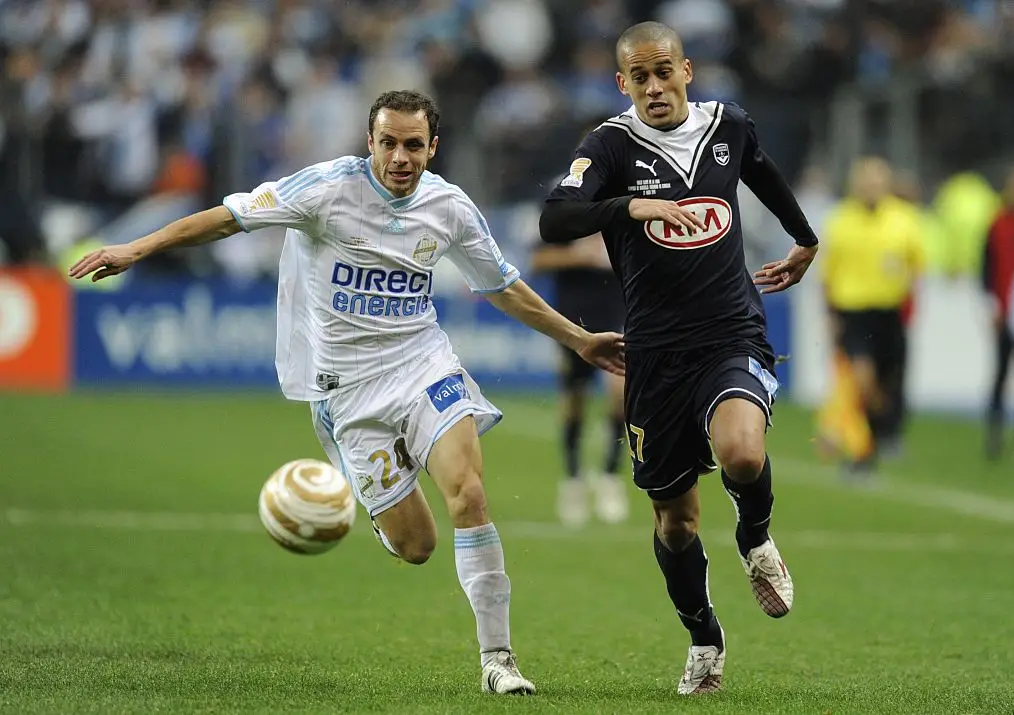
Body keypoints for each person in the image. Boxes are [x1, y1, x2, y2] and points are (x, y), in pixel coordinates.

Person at [69, 89, 627, 697]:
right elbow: (228, 217)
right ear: (371, 143)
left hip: (422, 365)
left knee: (468, 493)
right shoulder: (326, 189)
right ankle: (386, 503)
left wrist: (578, 341)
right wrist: (137, 248)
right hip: (347, 391)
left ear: (432, 147)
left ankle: (499, 659)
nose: (400, 156)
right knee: (418, 546)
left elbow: (503, 285)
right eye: (388, 143)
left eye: (414, 145)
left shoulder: (450, 208)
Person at [539, 22, 818, 695]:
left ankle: (756, 537)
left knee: (744, 453)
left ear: (687, 70)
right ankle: (704, 635)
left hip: (730, 334)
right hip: (654, 357)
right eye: (641, 77)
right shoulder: (608, 145)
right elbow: (555, 218)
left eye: (665, 72)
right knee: (676, 520)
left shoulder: (730, 127)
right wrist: (628, 205)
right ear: (623, 83)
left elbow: (764, 174)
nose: (655, 86)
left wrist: (805, 239)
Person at [821, 157, 925, 472]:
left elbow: (917, 266)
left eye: (877, 182)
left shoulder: (903, 219)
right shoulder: (840, 221)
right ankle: (862, 450)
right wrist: (831, 316)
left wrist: (908, 302)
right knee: (862, 383)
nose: (871, 188)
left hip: (889, 313)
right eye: (866, 182)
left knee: (886, 385)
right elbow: (827, 275)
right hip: (854, 314)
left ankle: (877, 438)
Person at [531, 230, 629, 526]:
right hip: (573, 323)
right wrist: (582, 254)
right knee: (575, 402)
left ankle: (610, 477)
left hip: (618, 316)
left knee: (621, 394)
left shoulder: (624, 207)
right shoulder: (568, 210)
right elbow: (538, 259)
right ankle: (573, 480)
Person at [982, 163, 1014, 459]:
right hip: (1004, 310)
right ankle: (994, 434)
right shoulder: (998, 222)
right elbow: (986, 267)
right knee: (1001, 373)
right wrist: (991, 304)